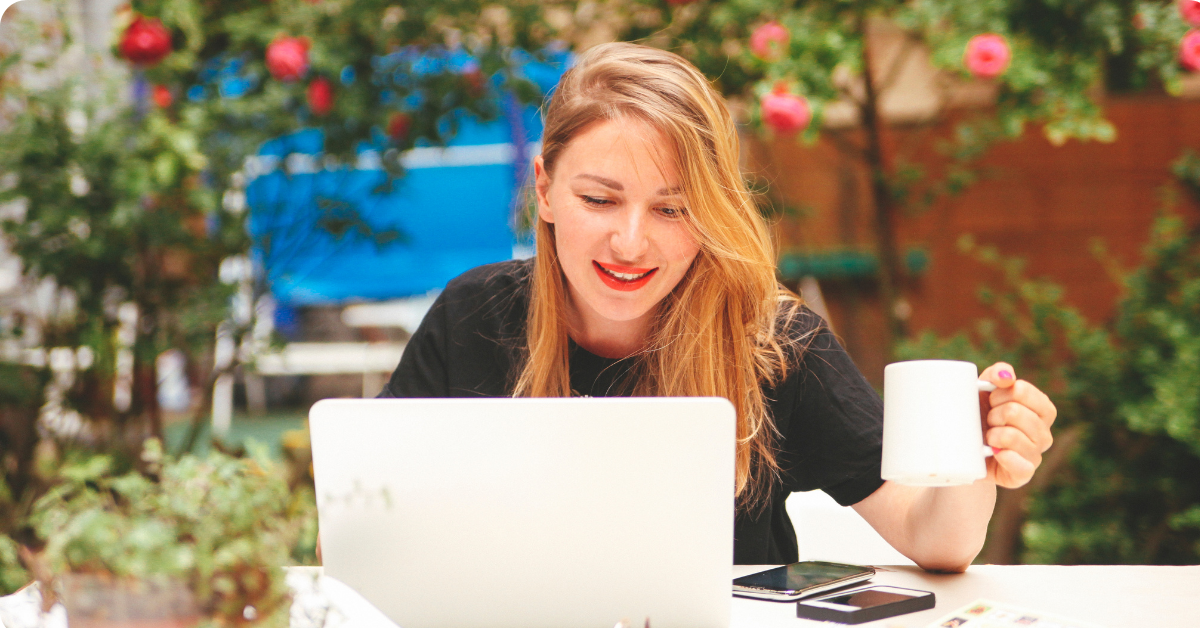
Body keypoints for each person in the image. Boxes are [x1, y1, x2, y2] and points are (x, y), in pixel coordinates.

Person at [379, 42, 1057, 571]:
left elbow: (934, 539)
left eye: (672, 208)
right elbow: (372, 525)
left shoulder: (774, 343)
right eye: (599, 199)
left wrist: (980, 462)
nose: (631, 242)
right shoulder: (473, 316)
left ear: (708, 214)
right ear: (547, 191)